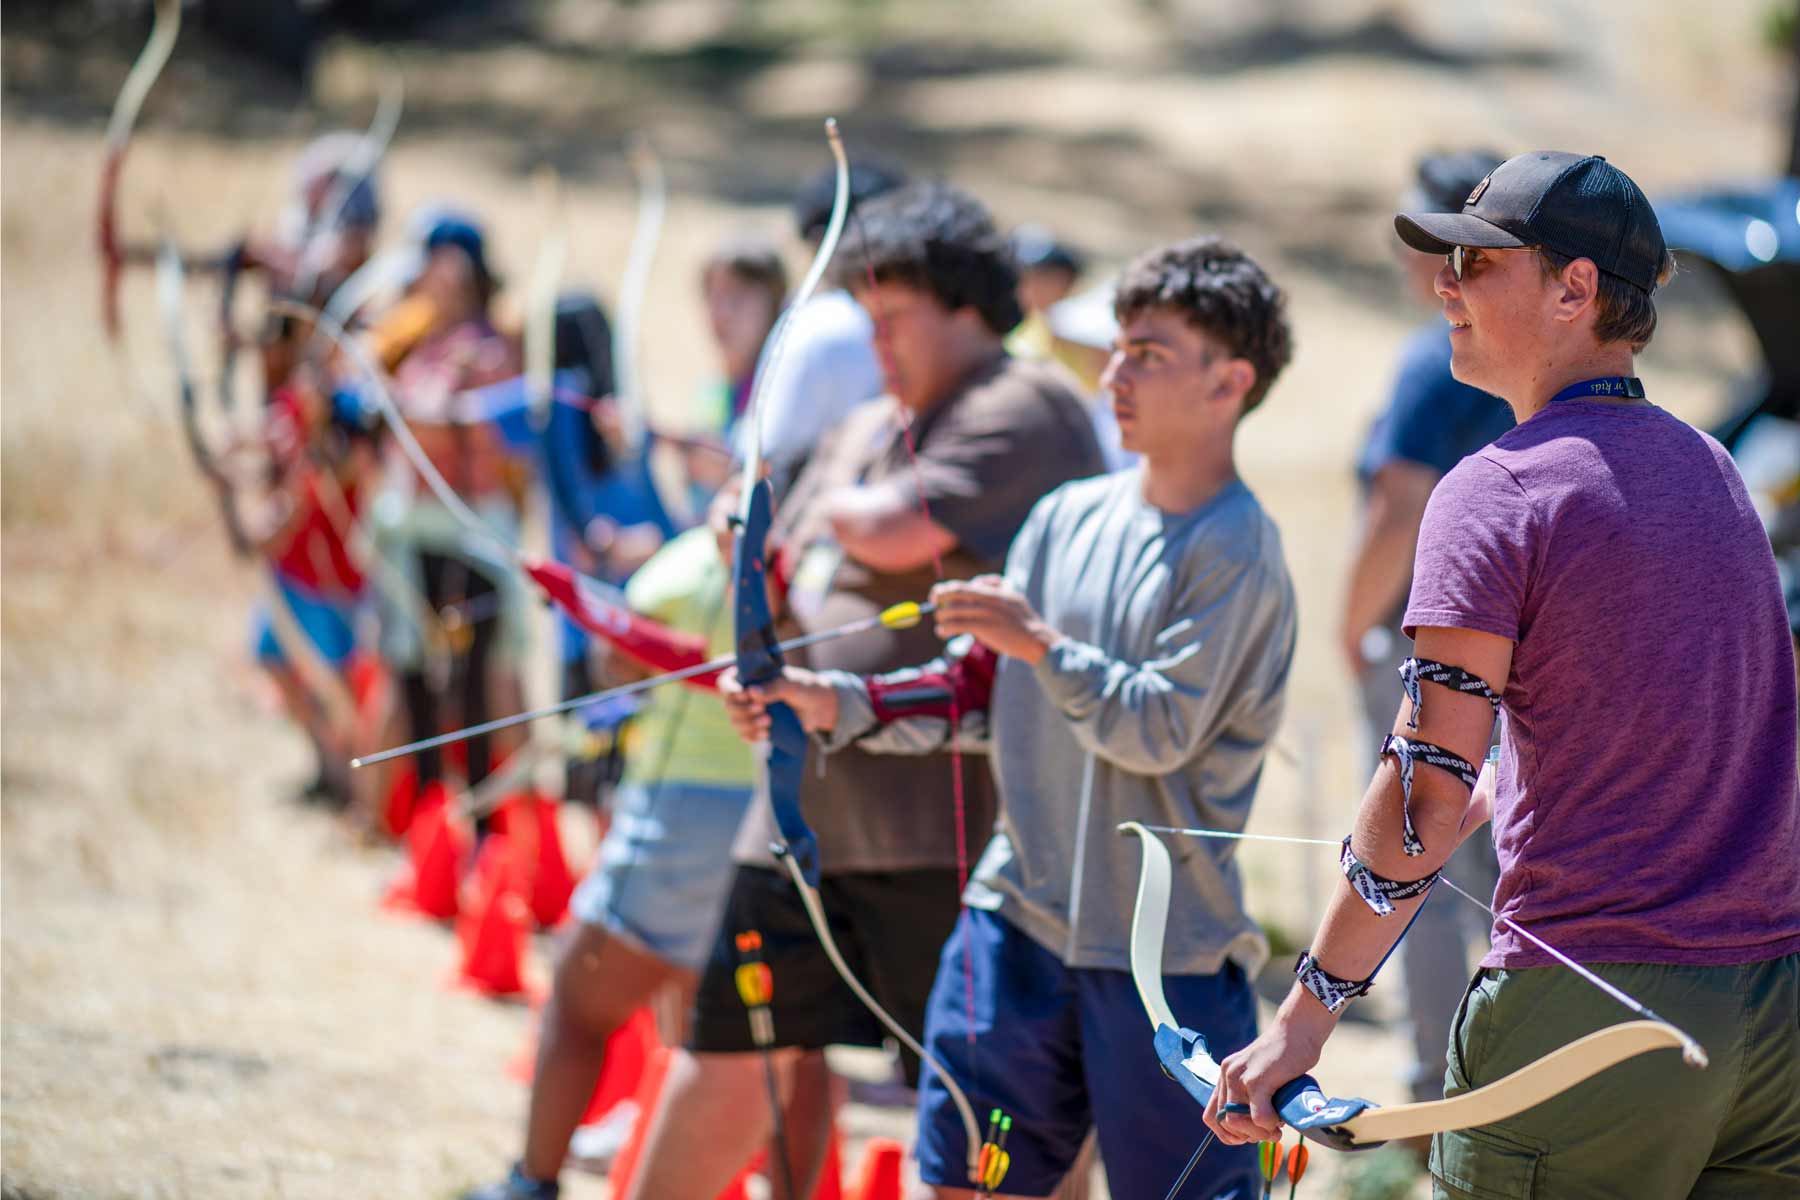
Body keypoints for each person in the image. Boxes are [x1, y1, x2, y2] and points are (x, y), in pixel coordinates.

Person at [1206, 151, 1800, 1198]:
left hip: (1589, 1012)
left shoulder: (1496, 491)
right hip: (1773, 1018)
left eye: (1480, 262)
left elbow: (1425, 785)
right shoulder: (1715, 467)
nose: (1446, 284)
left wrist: (1304, 1020)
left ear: (1575, 289)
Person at [722, 235, 1300, 1200]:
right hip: (1013, 925)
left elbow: (1155, 729)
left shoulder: (1238, 550)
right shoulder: (1066, 516)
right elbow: (976, 690)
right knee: (966, 1186)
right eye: (1116, 348)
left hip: (1163, 961)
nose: (1113, 374)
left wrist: (1041, 645)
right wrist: (835, 704)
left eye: (1148, 355)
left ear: (1229, 382)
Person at [620, 181, 1107, 1200]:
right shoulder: (859, 425)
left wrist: (796, 517)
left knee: (995, 1109)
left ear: (970, 308)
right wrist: (746, 547)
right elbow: (773, 562)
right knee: (727, 1055)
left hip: (951, 835)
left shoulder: (1024, 403)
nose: (875, 342)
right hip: (799, 822)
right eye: (866, 318)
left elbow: (890, 530)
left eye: (895, 317)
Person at [1342, 148, 1512, 1111]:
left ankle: (1435, 1089)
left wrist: (1349, 624)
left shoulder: (1430, 358)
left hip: (1430, 644)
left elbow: (1396, 500)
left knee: (1420, 855)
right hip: (1501, 645)